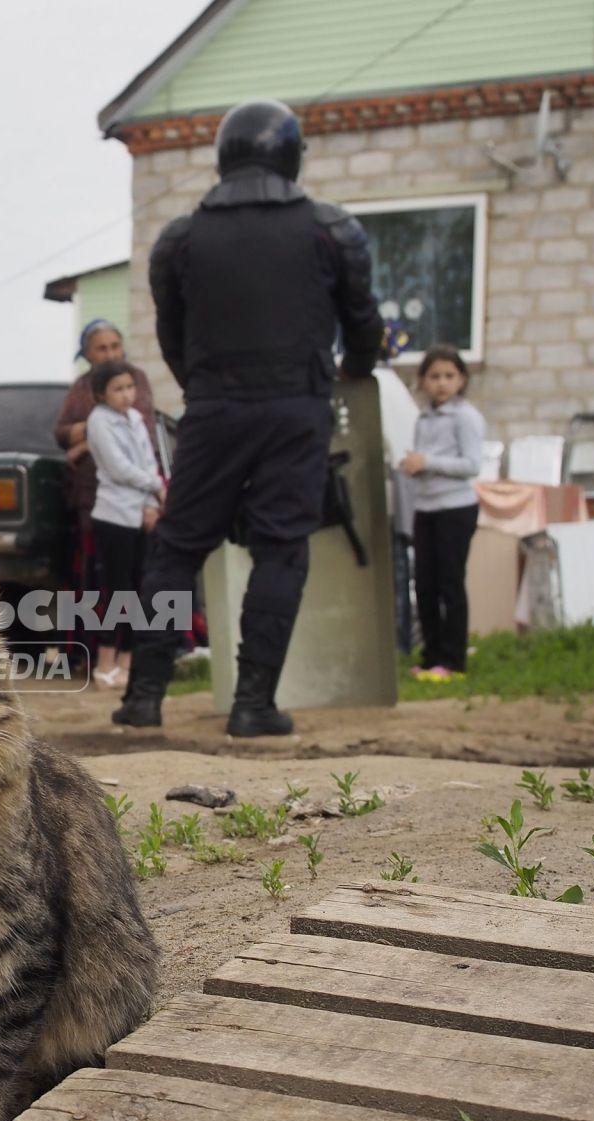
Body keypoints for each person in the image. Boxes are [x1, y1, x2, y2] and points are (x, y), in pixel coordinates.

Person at [118, 98, 384, 736]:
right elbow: (364, 324)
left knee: (177, 547)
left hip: (213, 409)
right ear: (291, 155)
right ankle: (253, 704)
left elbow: (172, 336)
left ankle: (144, 698)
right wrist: (355, 369)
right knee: (281, 549)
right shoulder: (329, 229)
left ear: (224, 157)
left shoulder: (181, 238)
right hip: (296, 410)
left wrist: (206, 389)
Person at [53, 320, 158, 668]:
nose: (110, 353)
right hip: (96, 495)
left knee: (137, 576)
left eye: (115, 346)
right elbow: (61, 433)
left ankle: (136, 653)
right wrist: (92, 432)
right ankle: (96, 655)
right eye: (102, 348)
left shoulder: (136, 378)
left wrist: (84, 443)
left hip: (137, 493)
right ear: (86, 353)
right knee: (97, 578)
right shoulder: (81, 389)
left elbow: (138, 421)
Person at [400, 344, 485, 675]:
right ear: (422, 381)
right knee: (425, 585)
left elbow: (471, 464)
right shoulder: (423, 418)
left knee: (450, 584)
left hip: (456, 508)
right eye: (434, 376)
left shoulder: (466, 417)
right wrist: (413, 464)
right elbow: (426, 459)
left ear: (462, 380)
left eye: (449, 376)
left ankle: (453, 659)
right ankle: (431, 655)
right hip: (426, 507)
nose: (441, 383)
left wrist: (428, 462)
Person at [85, 360, 165, 688]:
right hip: (114, 514)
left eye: (130, 387)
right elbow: (118, 468)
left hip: (140, 513)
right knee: (118, 591)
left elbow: (148, 460)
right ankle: (105, 662)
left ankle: (128, 663)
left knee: (140, 588)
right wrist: (156, 485)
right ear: (102, 394)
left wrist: (151, 504)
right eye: (118, 389)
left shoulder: (135, 419)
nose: (126, 395)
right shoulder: (98, 421)